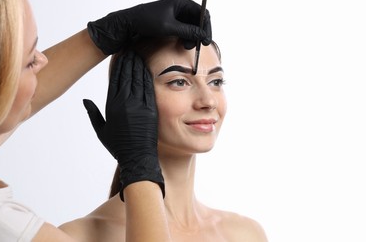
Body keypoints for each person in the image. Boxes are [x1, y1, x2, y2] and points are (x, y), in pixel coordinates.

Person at [0, 0, 212, 241]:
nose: (44, 61)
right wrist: (139, 167)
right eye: (31, 60)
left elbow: (7, 99)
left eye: (217, 81)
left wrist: (102, 34)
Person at [61, 37, 269, 241]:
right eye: (179, 82)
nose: (208, 101)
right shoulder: (77, 237)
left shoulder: (246, 234)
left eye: (216, 81)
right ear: (130, 99)